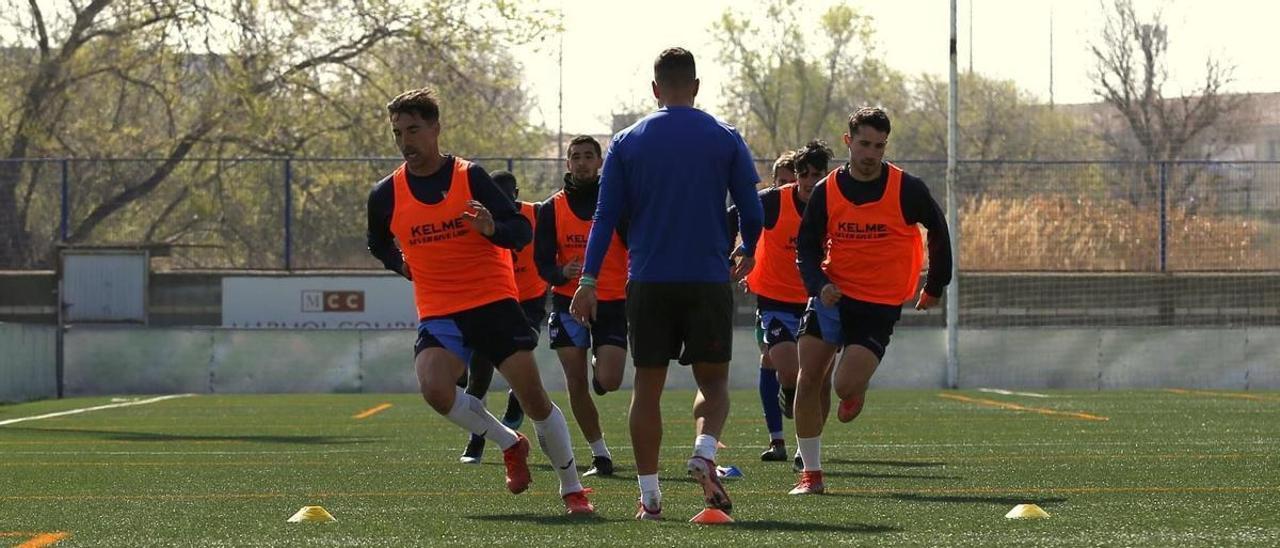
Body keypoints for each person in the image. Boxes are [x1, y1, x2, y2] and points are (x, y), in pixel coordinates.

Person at [365, 88, 593, 514]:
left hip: (491, 302)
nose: (405, 141)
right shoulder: (386, 193)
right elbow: (377, 242)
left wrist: (492, 230)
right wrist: (402, 265)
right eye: (397, 133)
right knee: (435, 389)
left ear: (435, 128)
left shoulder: (470, 177)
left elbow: (519, 232)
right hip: (438, 309)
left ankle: (572, 488)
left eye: (413, 130)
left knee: (534, 399)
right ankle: (509, 443)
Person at [570, 47, 763, 520]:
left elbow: (603, 216)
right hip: (707, 278)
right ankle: (702, 451)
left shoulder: (626, 141)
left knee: (647, 389)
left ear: (655, 90)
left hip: (649, 281)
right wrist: (747, 248)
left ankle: (651, 497)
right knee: (713, 385)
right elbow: (754, 210)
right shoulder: (725, 137)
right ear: (696, 87)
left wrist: (588, 279)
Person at [788, 107, 953, 495]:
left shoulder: (907, 188)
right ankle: (811, 475)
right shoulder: (828, 190)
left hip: (878, 304)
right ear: (848, 142)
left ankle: (855, 388)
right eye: (863, 144)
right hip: (833, 295)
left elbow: (939, 230)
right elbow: (807, 247)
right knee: (808, 377)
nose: (870, 153)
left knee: (843, 385)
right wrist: (817, 284)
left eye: (878, 146)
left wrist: (935, 285)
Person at [732, 143, 834, 467]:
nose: (808, 180)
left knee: (819, 379)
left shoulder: (834, 203)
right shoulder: (773, 201)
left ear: (825, 175)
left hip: (817, 300)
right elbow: (736, 216)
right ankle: (784, 408)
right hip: (775, 300)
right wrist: (740, 250)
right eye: (803, 174)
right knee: (788, 371)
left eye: (817, 175)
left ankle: (807, 450)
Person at [535, 135, 628, 477]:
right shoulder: (550, 209)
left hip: (613, 301)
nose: (583, 162)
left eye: (589, 156)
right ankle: (599, 453)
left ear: (600, 162)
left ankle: (599, 365)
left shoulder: (617, 204)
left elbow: (636, 248)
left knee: (610, 379)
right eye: (576, 156)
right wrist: (561, 272)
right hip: (567, 304)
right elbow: (542, 264)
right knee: (575, 382)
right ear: (568, 164)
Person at [457, 170, 543, 465]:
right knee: (478, 375)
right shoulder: (476, 219)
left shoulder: (536, 214)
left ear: (516, 195)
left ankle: (516, 399)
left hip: (528, 301)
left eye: (506, 196)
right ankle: (476, 438)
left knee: (523, 356)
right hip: (491, 301)